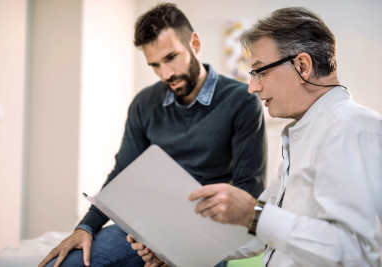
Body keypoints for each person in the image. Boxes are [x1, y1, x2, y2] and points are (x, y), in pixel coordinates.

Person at [130, 6, 382, 267]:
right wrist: (173, 249)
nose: (252, 87)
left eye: (261, 71)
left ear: (302, 66)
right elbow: (258, 233)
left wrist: (253, 214)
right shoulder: (304, 134)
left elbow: (357, 251)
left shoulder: (351, 128)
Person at [39, 3, 267, 267]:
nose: (166, 74)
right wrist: (85, 227)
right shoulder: (144, 103)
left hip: (204, 234)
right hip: (145, 227)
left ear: (194, 43)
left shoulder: (241, 100)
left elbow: (249, 190)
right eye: (155, 65)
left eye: (171, 57)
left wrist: (177, 247)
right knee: (67, 264)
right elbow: (122, 173)